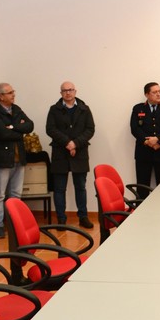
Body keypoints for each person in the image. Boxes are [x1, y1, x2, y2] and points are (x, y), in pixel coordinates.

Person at [0, 83, 34, 238]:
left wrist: (12, 127)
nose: (13, 94)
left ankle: (14, 224)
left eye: (13, 91)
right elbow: (2, 134)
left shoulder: (16, 109)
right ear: (1, 96)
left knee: (16, 194)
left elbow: (30, 126)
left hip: (19, 158)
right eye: (10, 92)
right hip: (2, 159)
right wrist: (19, 129)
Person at [46, 81, 95, 229]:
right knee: (59, 188)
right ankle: (61, 219)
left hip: (80, 152)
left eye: (70, 90)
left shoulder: (84, 109)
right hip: (60, 152)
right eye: (64, 90)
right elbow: (50, 129)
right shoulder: (54, 109)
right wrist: (67, 143)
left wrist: (75, 144)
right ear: (61, 93)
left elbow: (90, 129)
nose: (68, 93)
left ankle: (83, 217)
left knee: (80, 187)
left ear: (75, 91)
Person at [130, 82, 160, 197]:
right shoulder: (138, 108)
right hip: (143, 153)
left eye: (159, 91)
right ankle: (141, 207)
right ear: (147, 94)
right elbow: (134, 128)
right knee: (142, 186)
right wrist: (147, 142)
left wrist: (158, 140)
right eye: (154, 92)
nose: (158, 94)